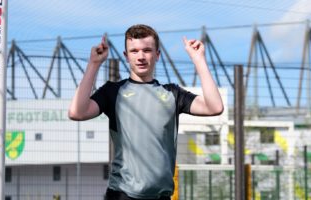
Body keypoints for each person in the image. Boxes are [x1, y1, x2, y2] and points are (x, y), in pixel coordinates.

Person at [69, 24, 224, 200]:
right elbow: (77, 112)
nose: (141, 56)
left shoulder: (172, 94)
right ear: (126, 56)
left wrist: (199, 60)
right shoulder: (112, 91)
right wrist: (94, 64)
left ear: (157, 54)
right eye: (134, 51)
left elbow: (215, 107)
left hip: (161, 195)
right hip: (122, 194)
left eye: (147, 50)